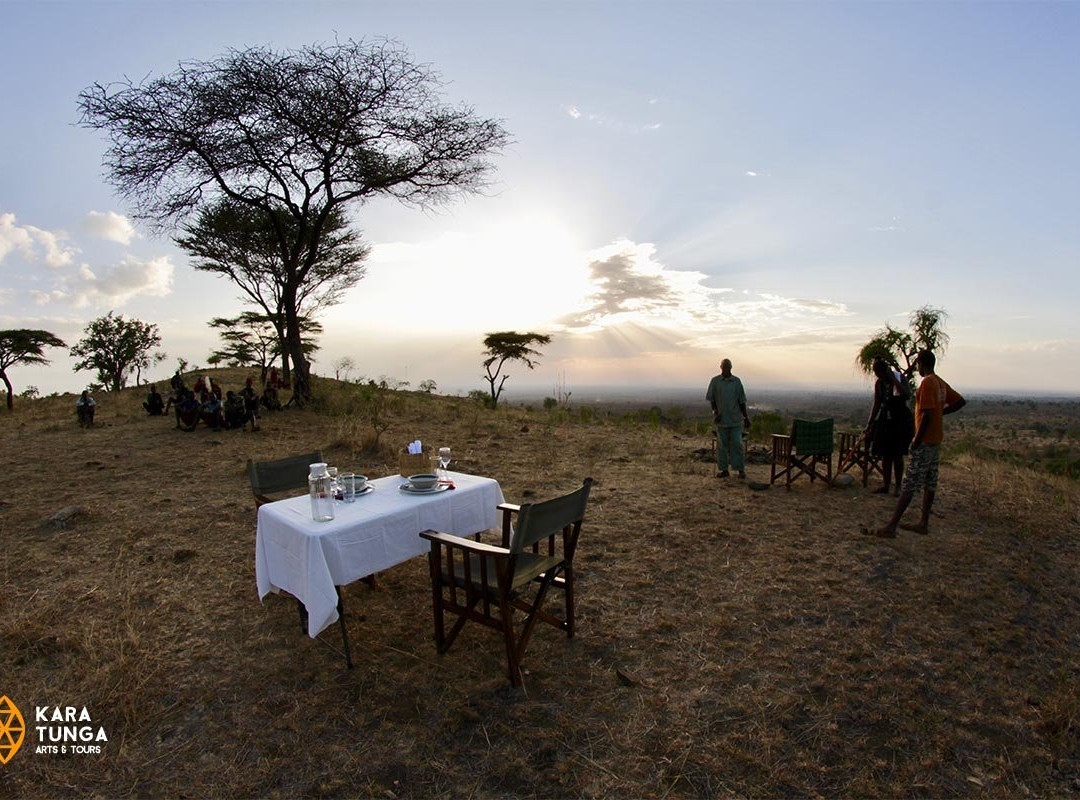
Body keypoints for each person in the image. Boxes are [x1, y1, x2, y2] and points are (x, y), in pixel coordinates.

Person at [864, 350, 965, 537]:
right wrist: (940, 414)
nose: (916, 367)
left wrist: (916, 440)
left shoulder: (927, 383)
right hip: (936, 440)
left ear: (921, 363)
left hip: (925, 440)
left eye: (917, 363)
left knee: (910, 483)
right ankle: (923, 523)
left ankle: (891, 526)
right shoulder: (940, 382)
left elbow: (925, 414)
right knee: (930, 482)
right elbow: (959, 402)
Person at [863, 358, 914, 495]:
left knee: (897, 454)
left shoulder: (899, 378)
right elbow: (877, 403)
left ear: (885, 370)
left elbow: (907, 394)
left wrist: (894, 380)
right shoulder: (879, 383)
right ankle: (886, 485)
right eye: (876, 373)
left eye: (879, 372)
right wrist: (870, 423)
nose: (878, 376)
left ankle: (898, 486)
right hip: (885, 419)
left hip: (900, 420)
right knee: (885, 455)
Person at [706, 358, 752, 479]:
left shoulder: (736, 382)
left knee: (737, 444)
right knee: (722, 447)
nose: (726, 369)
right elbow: (712, 400)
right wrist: (715, 413)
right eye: (724, 366)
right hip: (722, 421)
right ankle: (724, 469)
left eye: (728, 367)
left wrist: (746, 417)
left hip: (735, 420)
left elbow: (742, 401)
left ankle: (740, 469)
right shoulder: (715, 381)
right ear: (720, 367)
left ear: (731, 367)